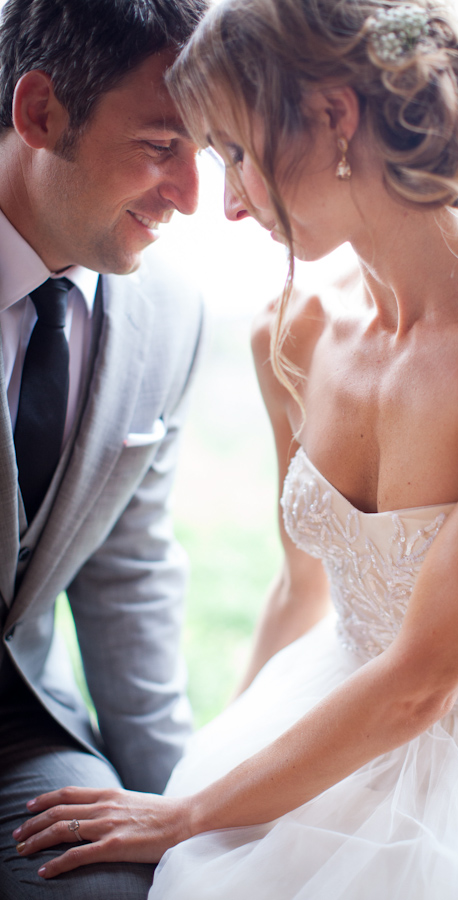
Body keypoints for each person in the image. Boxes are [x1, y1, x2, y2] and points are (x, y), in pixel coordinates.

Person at [13, 0, 458, 897]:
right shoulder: (292, 331)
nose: (231, 205)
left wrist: (184, 815)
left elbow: (420, 684)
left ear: (335, 118)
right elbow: (300, 587)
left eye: (236, 156)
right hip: (311, 718)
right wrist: (203, 776)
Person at [0, 0, 207, 897]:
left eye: (213, 150)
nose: (192, 197)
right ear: (40, 112)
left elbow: (128, 573)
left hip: (22, 738)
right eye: (162, 146)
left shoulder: (172, 316)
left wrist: (179, 818)